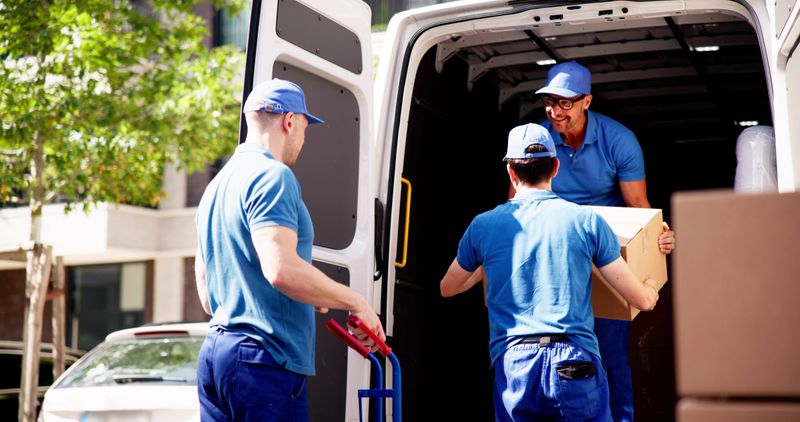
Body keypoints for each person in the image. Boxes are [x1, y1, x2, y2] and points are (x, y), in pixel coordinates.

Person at [194, 78, 385, 421]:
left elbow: (208, 294)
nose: (302, 140)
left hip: (216, 356)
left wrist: (308, 295)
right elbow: (280, 270)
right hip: (263, 361)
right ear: (290, 121)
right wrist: (355, 301)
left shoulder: (217, 186)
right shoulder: (272, 176)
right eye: (305, 129)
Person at [440, 123, 660, 421]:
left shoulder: (483, 225)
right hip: (574, 362)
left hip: (515, 366)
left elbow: (448, 287)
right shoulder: (587, 221)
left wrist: (489, 260)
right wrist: (651, 285)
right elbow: (641, 300)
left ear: (510, 172)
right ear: (555, 167)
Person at [533, 60, 675, 422]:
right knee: (553, 351)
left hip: (606, 254)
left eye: (566, 102)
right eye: (550, 101)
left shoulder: (619, 140)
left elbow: (639, 208)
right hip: (556, 254)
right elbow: (519, 204)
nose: (555, 111)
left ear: (587, 102)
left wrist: (657, 239)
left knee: (610, 353)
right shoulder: (539, 140)